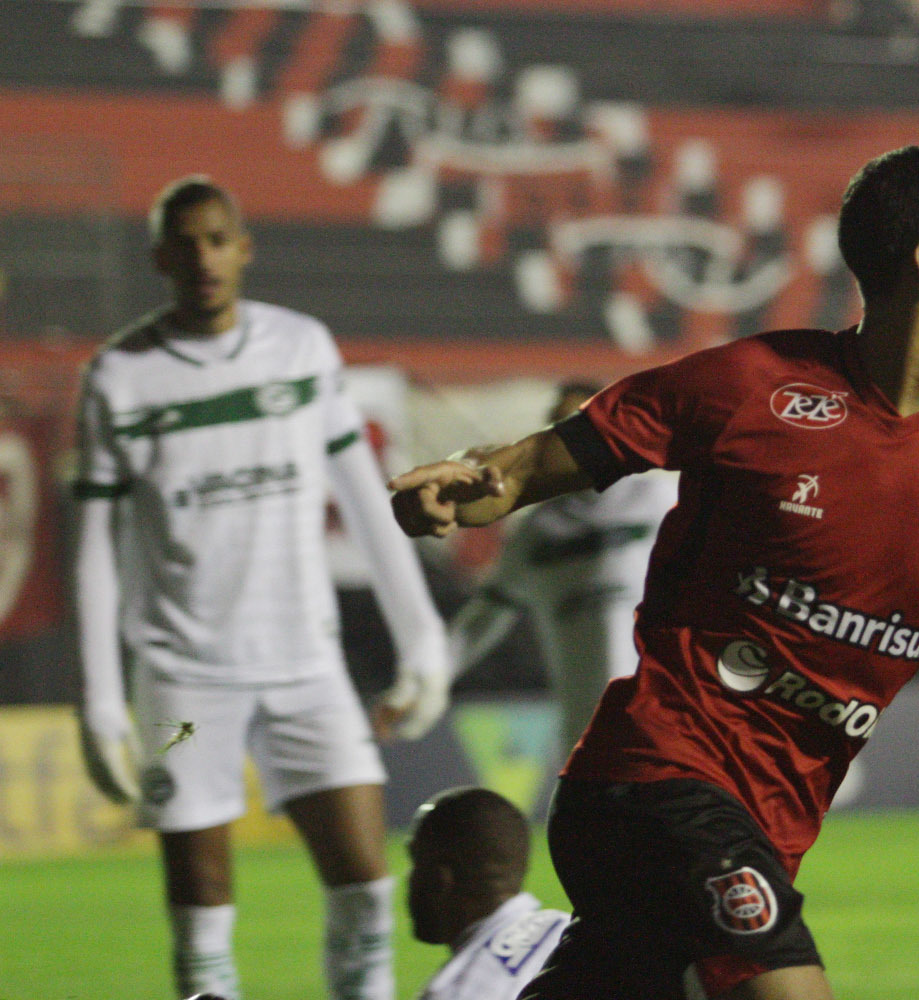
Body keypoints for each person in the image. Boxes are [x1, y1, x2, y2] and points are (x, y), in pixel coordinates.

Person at [388, 146, 919, 1000]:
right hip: (654, 781)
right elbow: (528, 468)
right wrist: (463, 485)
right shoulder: (750, 388)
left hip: (762, 832)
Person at [73, 175, 451, 1000]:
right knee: (202, 907)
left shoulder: (302, 348)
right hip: (181, 679)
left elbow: (364, 492)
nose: (204, 257)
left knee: (366, 888)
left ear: (243, 248)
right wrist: (101, 699)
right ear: (160, 258)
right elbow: (96, 545)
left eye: (218, 239)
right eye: (187, 243)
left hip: (306, 664)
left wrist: (422, 636)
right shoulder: (119, 379)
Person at [447, 380, 676, 758]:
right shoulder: (538, 529)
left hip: (665, 723)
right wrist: (425, 682)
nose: (567, 441)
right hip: (582, 734)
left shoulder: (662, 500)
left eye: (577, 425)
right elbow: (484, 619)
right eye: (557, 428)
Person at [406, 787, 571, 1000]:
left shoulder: (454, 992)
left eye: (416, 863)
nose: (409, 879)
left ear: (441, 879)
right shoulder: (568, 929)